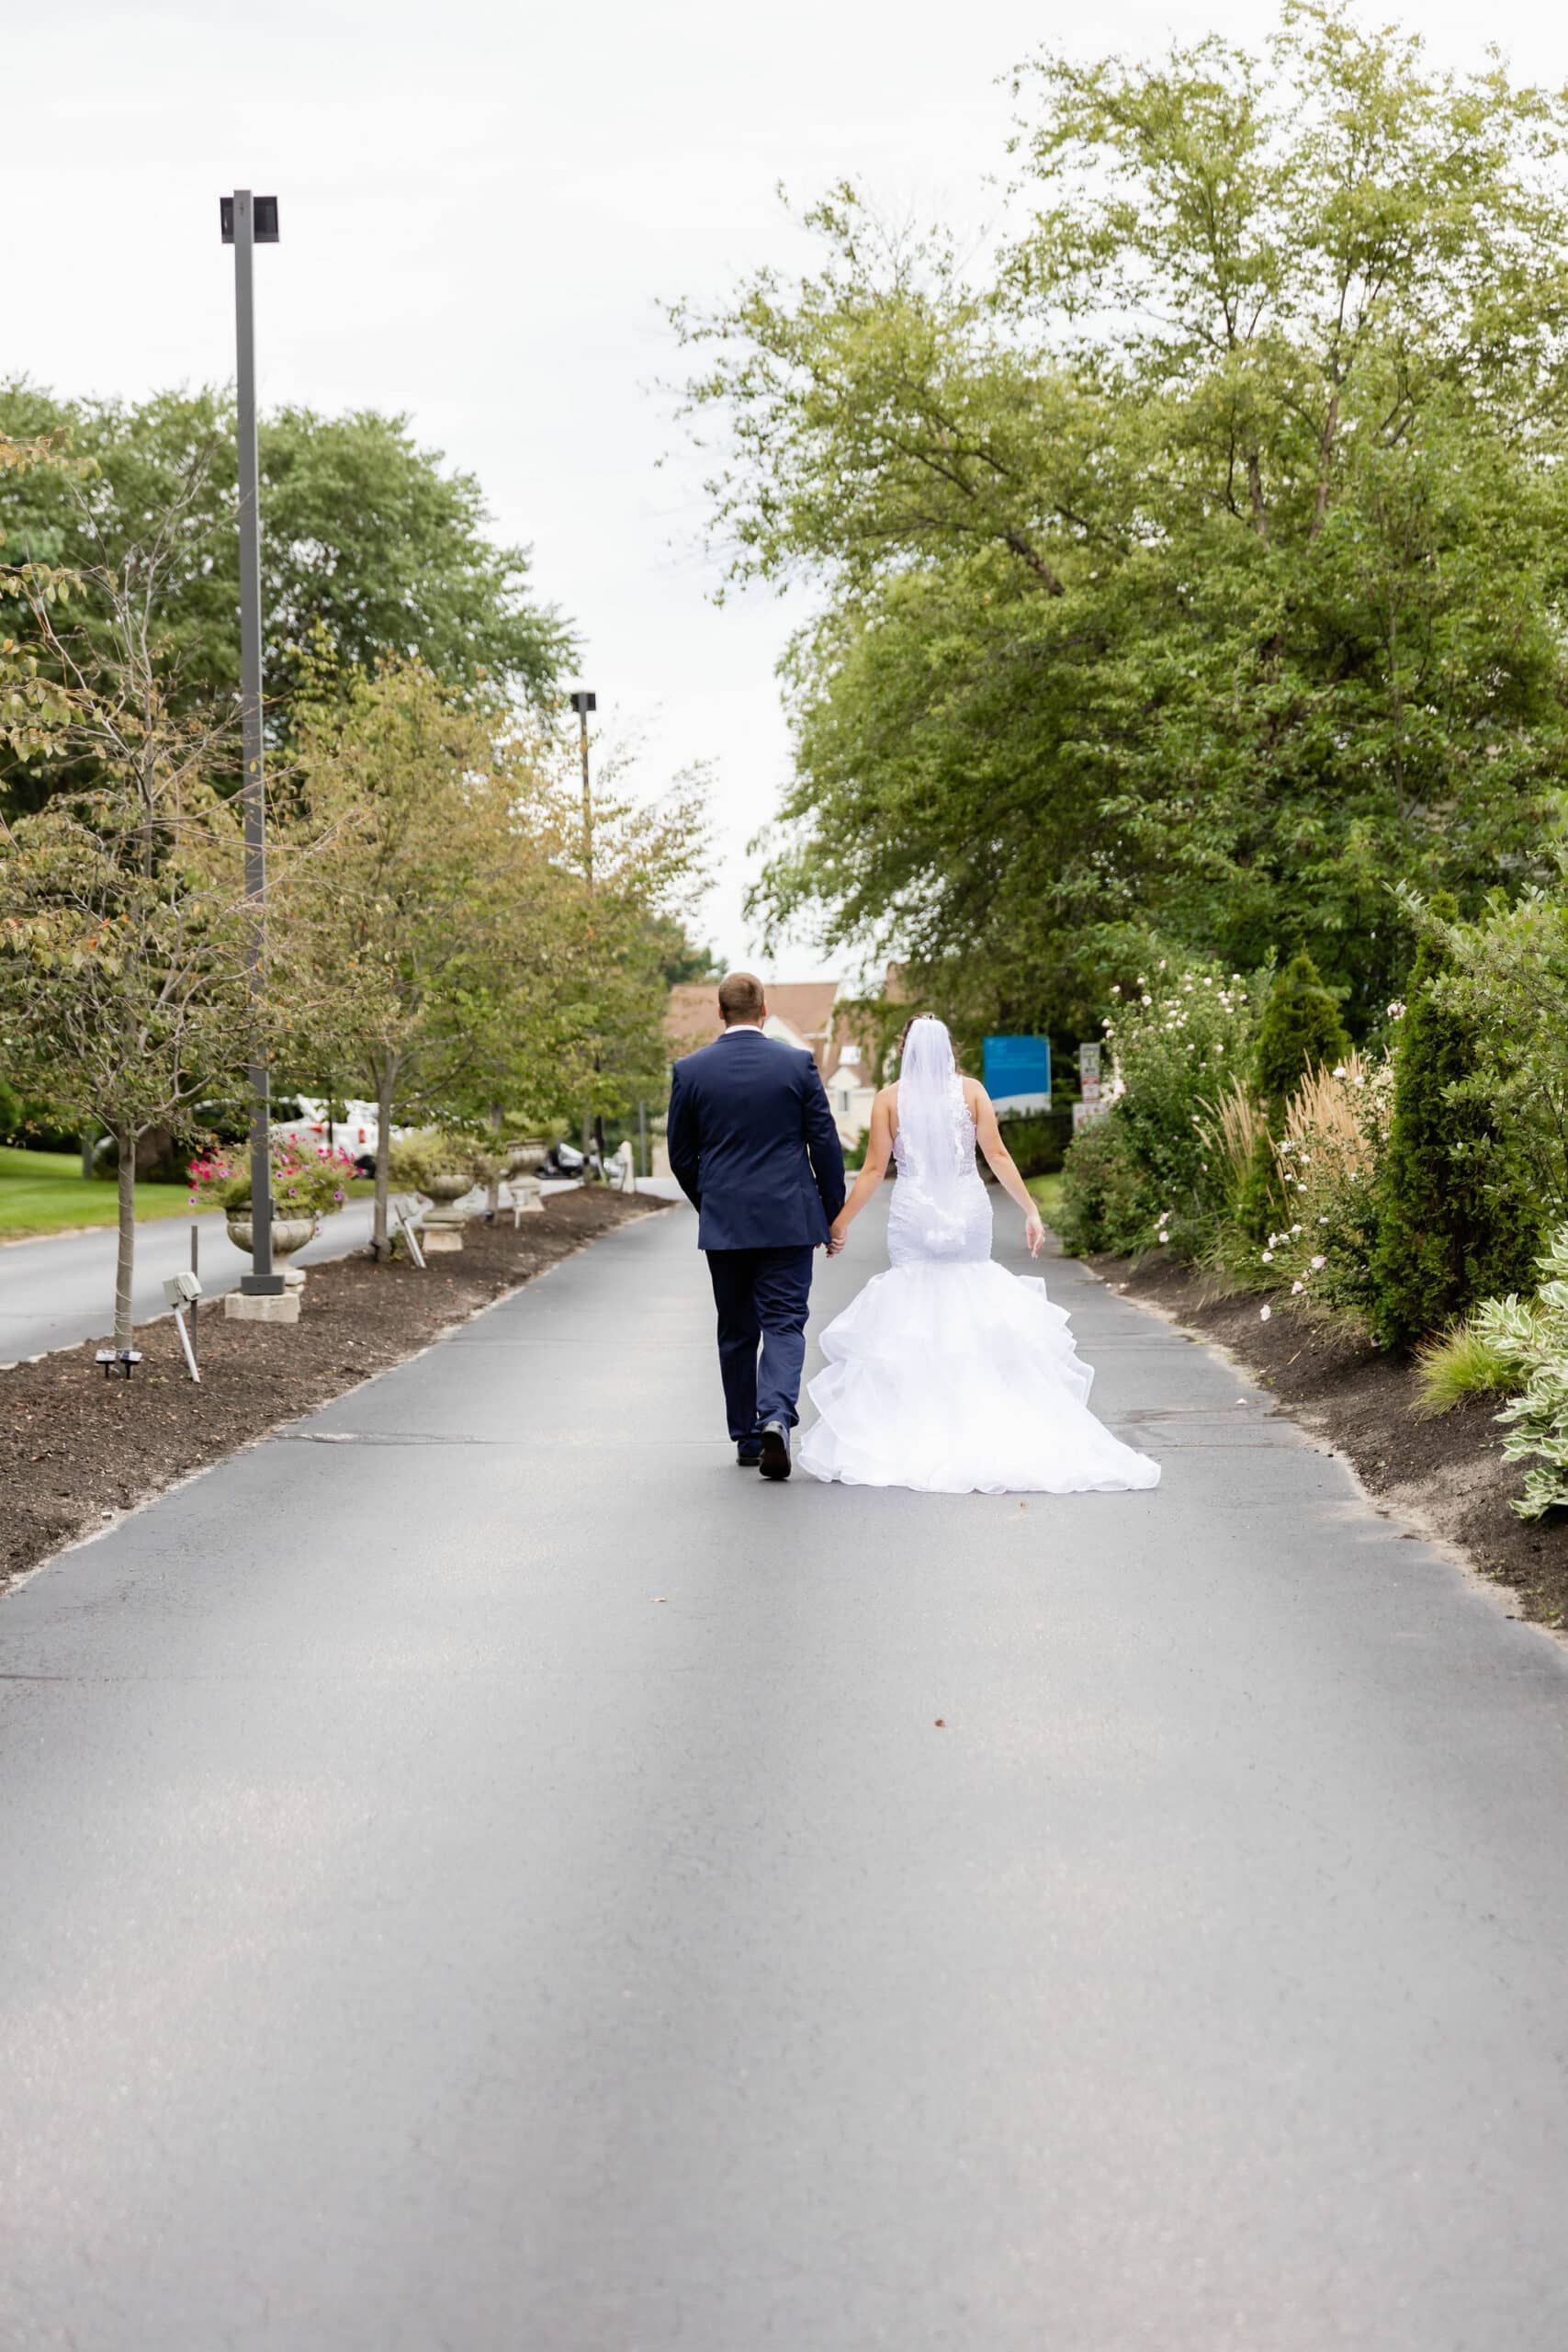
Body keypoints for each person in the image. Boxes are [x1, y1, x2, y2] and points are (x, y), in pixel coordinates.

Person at [797, 1014, 1160, 1496]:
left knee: (913, 1306)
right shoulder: (971, 1092)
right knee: (974, 1294)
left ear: (904, 1048)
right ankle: (990, 1409)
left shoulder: (889, 1099)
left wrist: (838, 1224)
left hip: (915, 1213)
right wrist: (1031, 1210)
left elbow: (871, 1170)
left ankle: (918, 1420)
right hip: (967, 1210)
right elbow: (999, 1155)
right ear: (951, 1049)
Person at [667, 972, 847, 1481]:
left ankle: (747, 1436)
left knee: (737, 1328)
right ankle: (775, 1415)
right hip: (790, 1219)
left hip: (726, 1224)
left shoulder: (691, 1071)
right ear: (763, 1009)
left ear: (719, 1011)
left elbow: (681, 1155)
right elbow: (825, 1143)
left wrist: (712, 1201)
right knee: (785, 1322)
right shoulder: (796, 1064)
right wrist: (831, 1212)